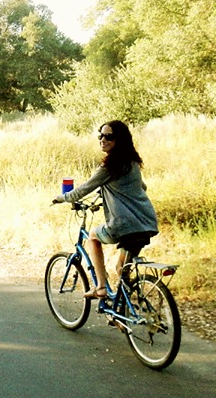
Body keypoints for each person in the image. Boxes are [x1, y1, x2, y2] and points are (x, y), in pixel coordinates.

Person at [53, 120, 158, 299]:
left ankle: (100, 287)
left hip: (124, 226)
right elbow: (142, 188)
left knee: (92, 237)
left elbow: (82, 190)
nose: (103, 139)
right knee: (122, 270)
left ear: (120, 140)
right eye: (100, 135)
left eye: (109, 136)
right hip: (146, 224)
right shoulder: (132, 163)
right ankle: (122, 315)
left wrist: (61, 198)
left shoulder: (109, 167)